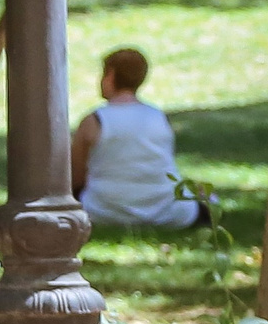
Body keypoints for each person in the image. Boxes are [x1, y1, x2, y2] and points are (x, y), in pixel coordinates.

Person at [72, 48, 208, 230]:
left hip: (103, 210)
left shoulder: (94, 120)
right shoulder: (159, 117)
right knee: (204, 197)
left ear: (110, 75)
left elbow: (76, 176)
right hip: (165, 210)